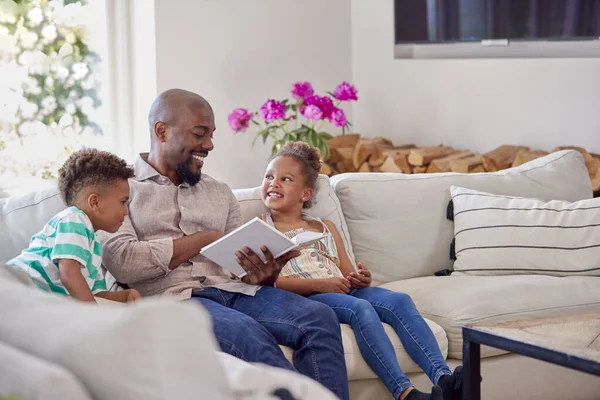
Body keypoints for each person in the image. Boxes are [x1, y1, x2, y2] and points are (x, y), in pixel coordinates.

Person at [98, 89, 349, 399]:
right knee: (247, 334)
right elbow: (124, 261)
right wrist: (204, 239)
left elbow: (239, 268)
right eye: (200, 134)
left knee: (319, 318)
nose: (210, 145)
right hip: (175, 298)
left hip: (235, 291)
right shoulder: (121, 190)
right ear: (161, 130)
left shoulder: (220, 192)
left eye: (211, 135)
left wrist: (265, 274)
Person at [259, 141, 464, 400]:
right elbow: (270, 284)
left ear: (306, 194)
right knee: (360, 309)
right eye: (269, 176)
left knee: (399, 300)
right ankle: (406, 393)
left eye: (285, 179)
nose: (274, 183)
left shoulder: (325, 227)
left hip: (341, 290)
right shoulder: (262, 230)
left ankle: (444, 381)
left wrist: (360, 278)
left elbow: (347, 272)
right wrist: (320, 285)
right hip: (309, 297)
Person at [6, 149, 141, 304]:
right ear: (95, 202)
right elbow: (69, 276)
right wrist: (98, 320)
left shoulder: (93, 246)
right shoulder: (74, 219)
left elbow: (91, 295)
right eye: (123, 202)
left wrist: (124, 297)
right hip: (14, 284)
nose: (126, 211)